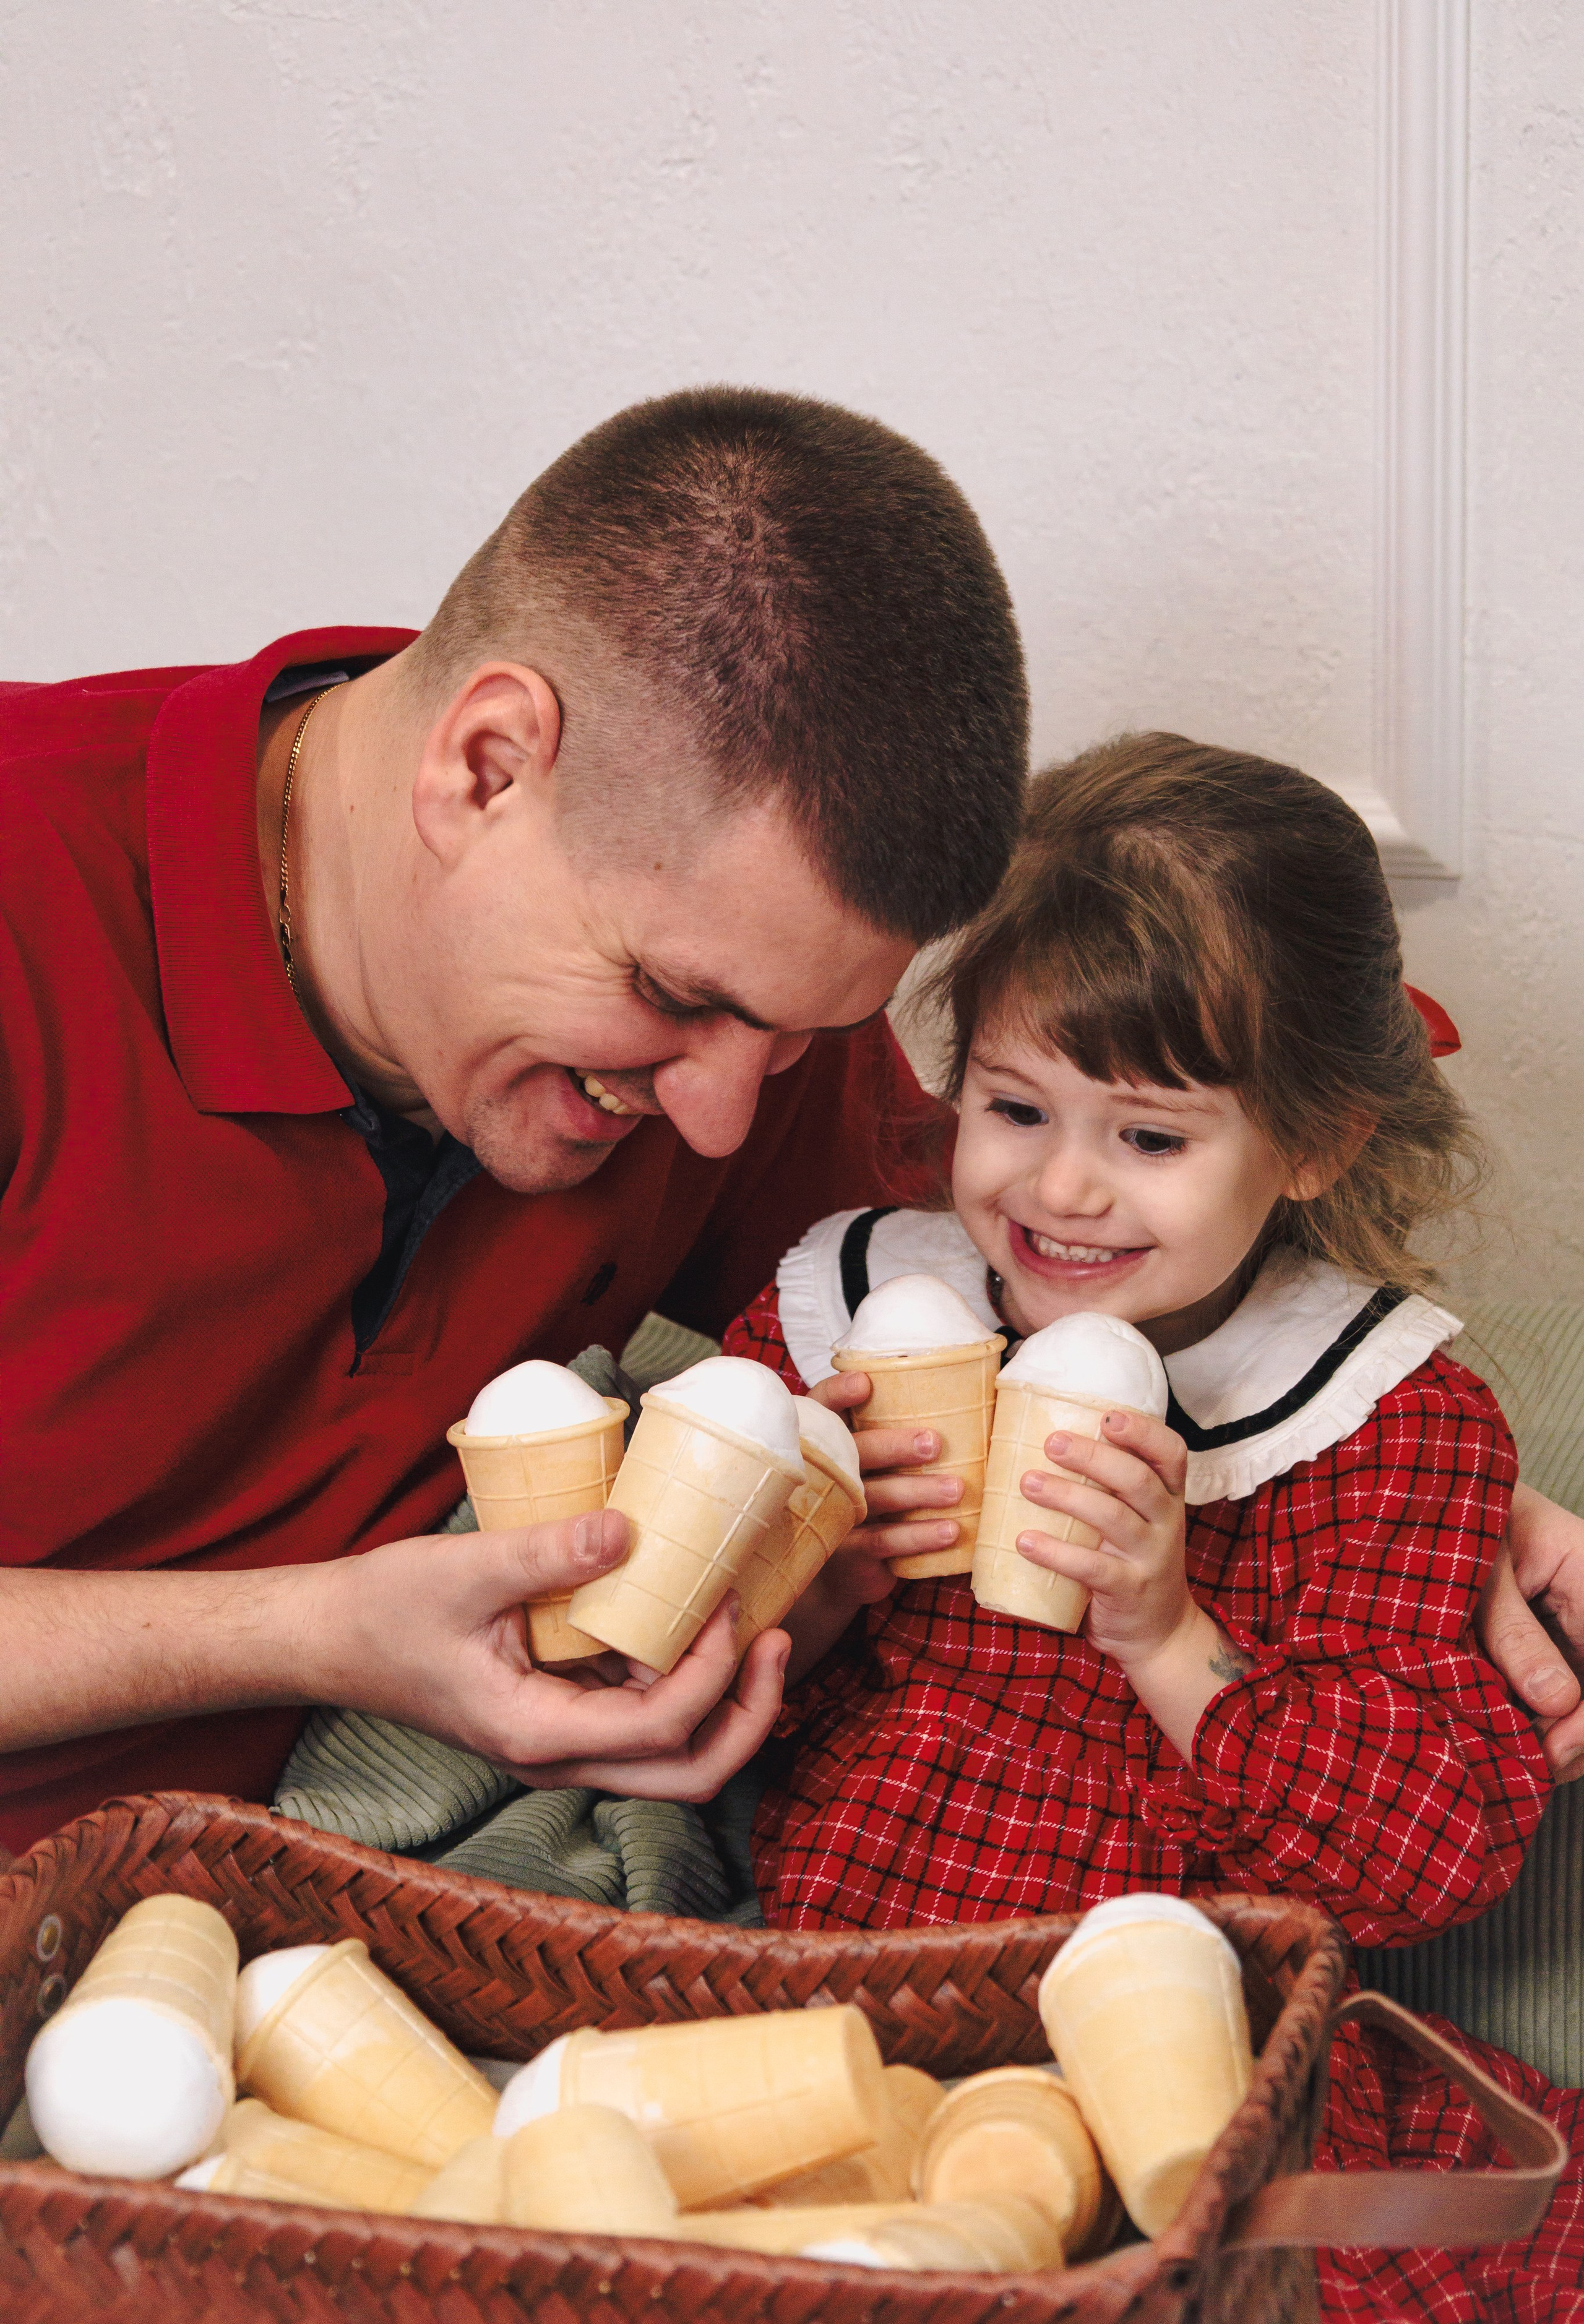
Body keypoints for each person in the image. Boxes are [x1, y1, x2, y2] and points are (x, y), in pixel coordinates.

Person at [0, 385, 1031, 1858]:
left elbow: (1090, 1267)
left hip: (369, 1928)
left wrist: (1428, 1486)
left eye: (796, 1038)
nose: (725, 1119)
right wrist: (311, 1631)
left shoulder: (735, 997)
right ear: (485, 765)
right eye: (672, 995)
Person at [724, 733, 1584, 2324]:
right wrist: (823, 1569)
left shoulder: (1381, 1421)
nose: (1060, 1187)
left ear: (1314, 1141)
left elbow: (1430, 1854)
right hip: (860, 2015)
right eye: (1016, 1105)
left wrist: (1172, 1635)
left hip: (1216, 2063)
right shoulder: (859, 1317)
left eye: (1150, 1138)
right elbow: (657, 1687)